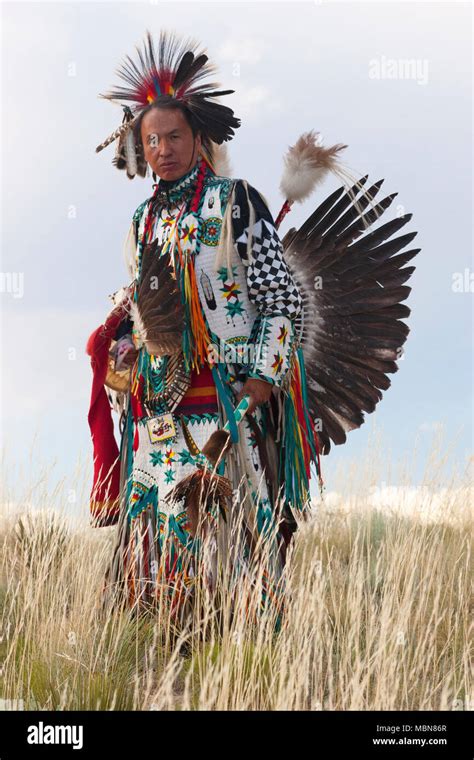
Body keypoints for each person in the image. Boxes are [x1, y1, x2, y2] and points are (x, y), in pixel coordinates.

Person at [87, 29, 323, 634]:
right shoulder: (140, 223)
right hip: (162, 410)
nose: (163, 148)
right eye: (151, 139)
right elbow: (145, 318)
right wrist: (121, 350)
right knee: (162, 540)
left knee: (235, 537)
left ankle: (245, 656)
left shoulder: (235, 203)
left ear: (197, 138)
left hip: (229, 401)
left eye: (173, 136)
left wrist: (264, 380)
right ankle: (171, 649)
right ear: (140, 148)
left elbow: (284, 301)